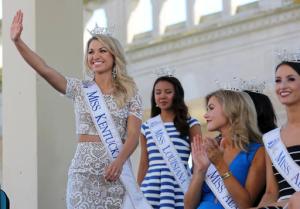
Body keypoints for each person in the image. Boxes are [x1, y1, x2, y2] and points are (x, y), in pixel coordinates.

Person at [10, 10, 151, 209]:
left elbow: (133, 136)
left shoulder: (130, 92)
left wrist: (119, 162)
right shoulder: (79, 89)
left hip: (115, 173)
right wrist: (18, 42)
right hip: (82, 174)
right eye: (91, 51)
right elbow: (45, 69)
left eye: (102, 50)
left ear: (114, 55)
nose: (95, 56)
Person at [184, 90, 266, 209]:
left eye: (211, 108)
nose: (205, 115)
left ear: (231, 109)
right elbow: (188, 206)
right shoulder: (210, 149)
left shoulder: (257, 152)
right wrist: (200, 170)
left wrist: (220, 164)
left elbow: (245, 205)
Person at [137, 76, 202, 209]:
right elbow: (144, 162)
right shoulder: (147, 127)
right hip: (151, 187)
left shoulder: (191, 124)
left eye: (168, 92)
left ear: (177, 95)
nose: (162, 96)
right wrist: (136, 192)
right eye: (158, 92)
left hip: (179, 186)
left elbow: (198, 162)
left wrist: (197, 189)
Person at [255, 61, 300, 209]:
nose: (282, 86)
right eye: (278, 80)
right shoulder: (271, 139)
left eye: (291, 79)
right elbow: (271, 192)